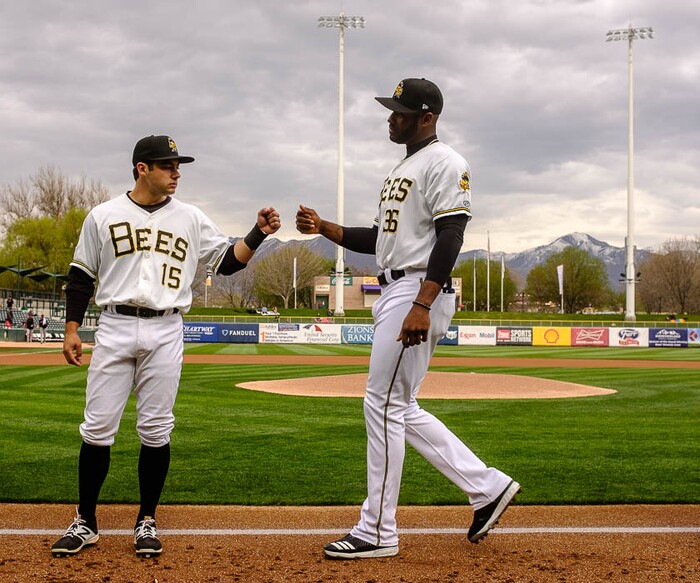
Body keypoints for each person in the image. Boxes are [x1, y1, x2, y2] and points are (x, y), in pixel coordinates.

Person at [297, 78, 520, 560]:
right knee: (399, 405)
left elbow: (452, 235)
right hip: (397, 285)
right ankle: (487, 487)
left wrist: (423, 301)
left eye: (400, 110)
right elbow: (378, 240)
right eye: (391, 109)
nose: (390, 117)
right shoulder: (404, 168)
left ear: (428, 117)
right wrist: (324, 228)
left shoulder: (445, 161)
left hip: (417, 288)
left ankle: (377, 530)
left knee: (380, 403)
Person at [51, 135, 280, 559]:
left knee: (156, 429)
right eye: (167, 165)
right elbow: (80, 276)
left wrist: (258, 233)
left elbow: (226, 262)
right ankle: (86, 520)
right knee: (97, 428)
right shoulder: (102, 216)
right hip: (115, 324)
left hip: (166, 328)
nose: (176, 173)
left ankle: (146, 520)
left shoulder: (190, 217)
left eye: (178, 166)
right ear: (142, 168)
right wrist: (71, 329)